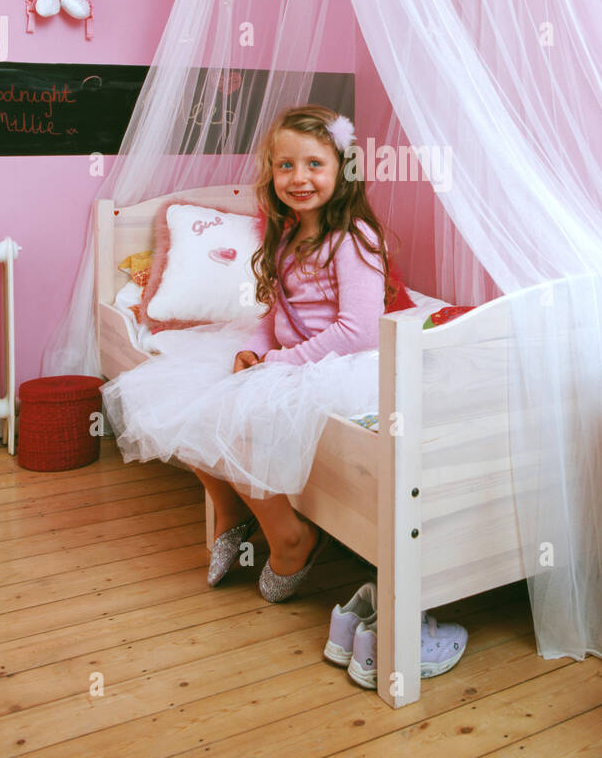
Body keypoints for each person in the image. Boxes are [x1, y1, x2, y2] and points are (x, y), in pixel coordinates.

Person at [100, 104, 398, 601]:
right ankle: (232, 508)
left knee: (236, 418)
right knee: (189, 399)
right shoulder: (286, 235)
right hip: (295, 356)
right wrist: (252, 349)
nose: (298, 178)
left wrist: (277, 362)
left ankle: (291, 537)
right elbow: (274, 316)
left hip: (343, 364)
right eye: (285, 166)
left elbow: (360, 331)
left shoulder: (353, 237)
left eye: (314, 164)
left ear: (342, 171)